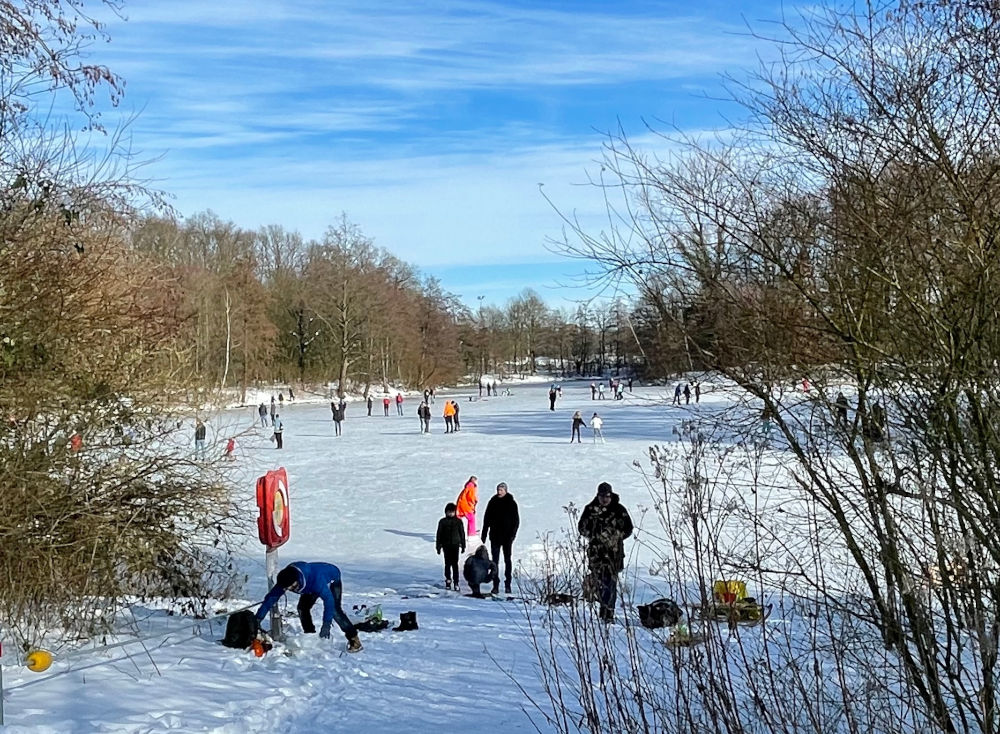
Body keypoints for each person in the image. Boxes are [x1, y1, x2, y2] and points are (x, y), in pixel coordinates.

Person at [256, 562, 362, 653]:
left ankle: (354, 639)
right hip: (308, 584)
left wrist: (326, 625)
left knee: (335, 610)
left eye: (293, 587)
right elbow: (271, 599)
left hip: (332, 578)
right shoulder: (286, 579)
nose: (292, 589)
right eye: (288, 589)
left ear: (297, 580)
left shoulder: (316, 581)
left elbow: (328, 601)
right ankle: (310, 635)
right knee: (302, 608)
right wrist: (258, 619)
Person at [578, 482, 634, 623]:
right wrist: (596, 534)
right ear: (598, 496)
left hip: (614, 555)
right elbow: (582, 528)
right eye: (602, 496)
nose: (605, 499)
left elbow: (628, 528)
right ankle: (603, 611)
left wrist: (615, 535)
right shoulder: (590, 509)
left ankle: (609, 613)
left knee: (610, 584)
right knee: (601, 584)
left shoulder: (619, 510)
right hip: (597, 554)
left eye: (607, 496)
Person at [480, 482, 519, 595]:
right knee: (495, 561)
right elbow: (486, 519)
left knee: (507, 560)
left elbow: (516, 521)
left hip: (507, 538)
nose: (499, 492)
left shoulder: (511, 503)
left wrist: (512, 535)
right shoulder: (493, 502)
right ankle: (495, 584)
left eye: (501, 490)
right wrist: (484, 535)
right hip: (495, 536)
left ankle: (508, 584)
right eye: (498, 489)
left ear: (506, 490)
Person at [436, 502, 466, 590]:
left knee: (455, 564)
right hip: (446, 545)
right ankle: (448, 580)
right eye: (449, 512)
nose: (450, 513)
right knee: (447, 564)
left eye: (452, 512)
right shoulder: (442, 522)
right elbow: (439, 534)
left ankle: (456, 582)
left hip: (455, 545)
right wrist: (438, 546)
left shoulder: (458, 521)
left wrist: (463, 545)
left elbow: (462, 533)